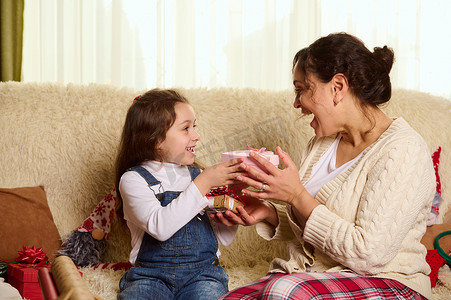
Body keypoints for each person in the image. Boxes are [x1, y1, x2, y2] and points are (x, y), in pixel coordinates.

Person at [211, 33, 435, 299]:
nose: (297, 103)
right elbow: (319, 223)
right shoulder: (321, 144)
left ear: (337, 87)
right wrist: (270, 212)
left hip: (389, 282)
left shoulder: (403, 149)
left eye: (301, 89)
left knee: (285, 291)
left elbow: (369, 255)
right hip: (313, 276)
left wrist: (296, 195)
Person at [115, 89, 243, 300]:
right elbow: (160, 227)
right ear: (154, 139)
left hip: (203, 275)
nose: (196, 135)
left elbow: (223, 238)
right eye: (186, 129)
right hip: (150, 276)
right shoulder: (133, 180)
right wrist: (203, 184)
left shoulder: (199, 175)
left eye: (195, 127)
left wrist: (231, 215)